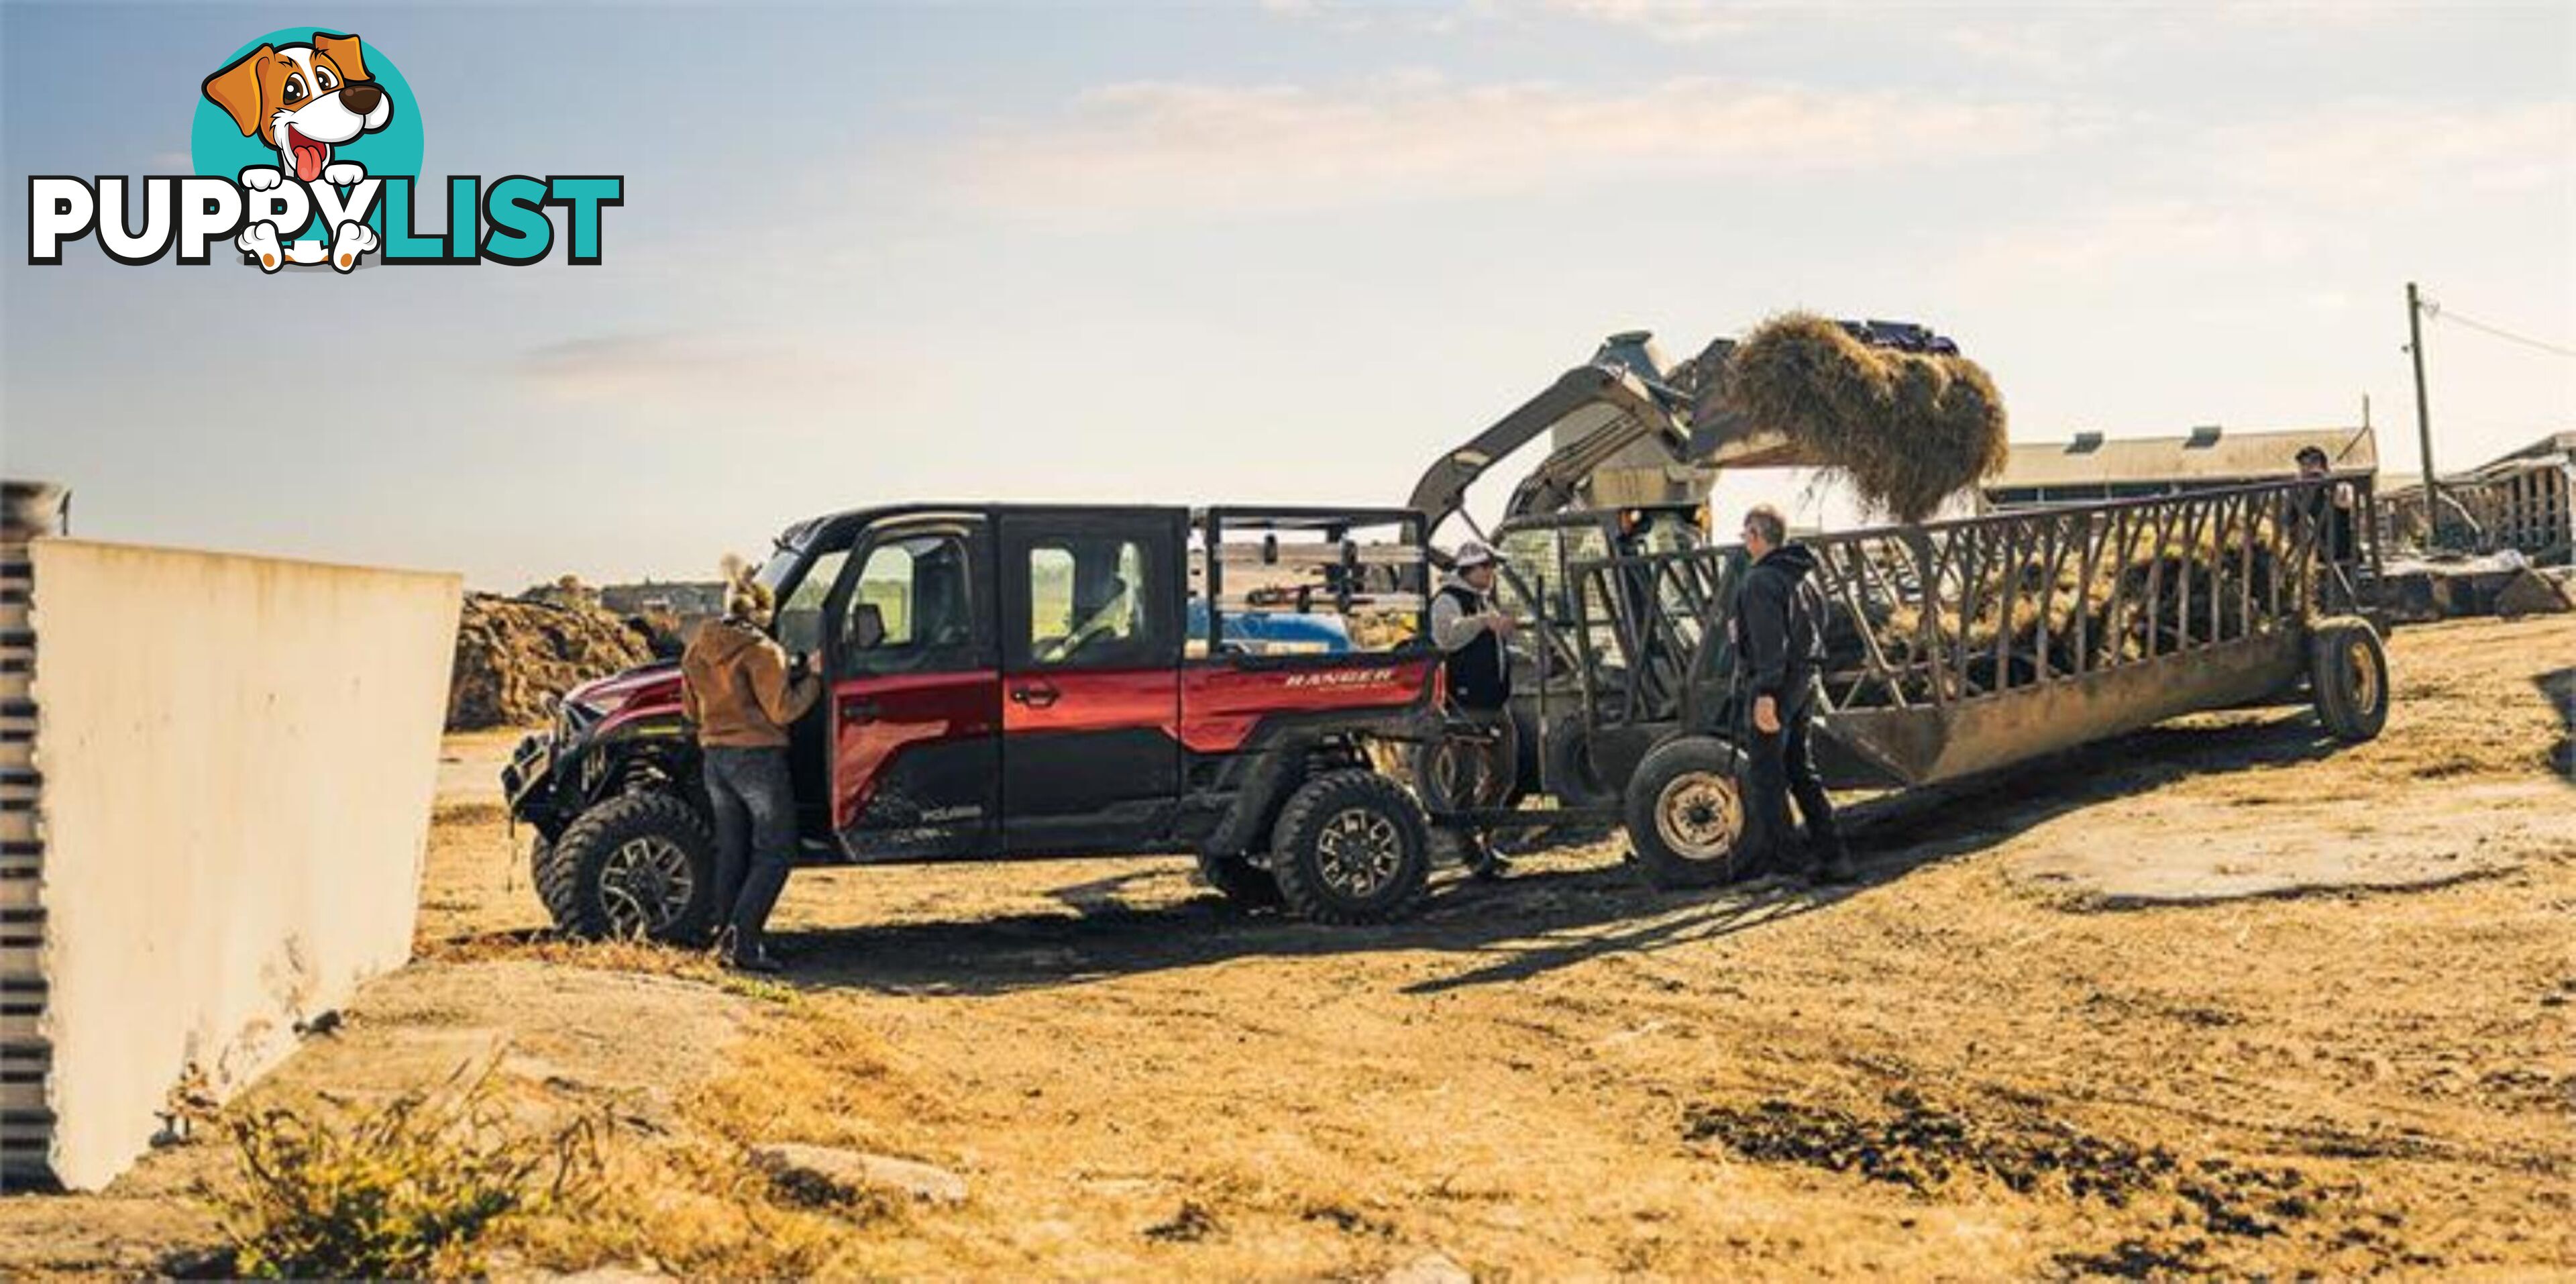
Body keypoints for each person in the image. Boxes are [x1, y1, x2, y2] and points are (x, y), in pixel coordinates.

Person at [680, 559, 821, 972]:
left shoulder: (697, 649)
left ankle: (724, 938)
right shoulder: (763, 652)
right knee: (775, 851)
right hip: (757, 760)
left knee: (732, 851)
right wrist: (812, 677)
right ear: (762, 613)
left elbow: (691, 711)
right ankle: (744, 944)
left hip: (715, 761)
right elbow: (782, 711)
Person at [1732, 504, 1856, 886]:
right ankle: (1835, 858)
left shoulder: (1759, 582)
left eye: (1745, 534)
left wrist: (1766, 693)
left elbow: (1772, 643)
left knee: (1767, 775)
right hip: (1806, 680)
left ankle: (1786, 866)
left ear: (1756, 535)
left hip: (1779, 685)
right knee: (1801, 771)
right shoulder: (1803, 578)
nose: (1743, 541)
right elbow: (1817, 628)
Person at [1428, 540, 1519, 831]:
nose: (1493, 572)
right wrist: (1485, 622)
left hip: (1494, 704)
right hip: (1465, 705)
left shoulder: (1481, 599)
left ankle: (1482, 833)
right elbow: (1446, 637)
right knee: (1463, 781)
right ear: (1471, 568)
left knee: (1504, 774)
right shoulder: (1447, 599)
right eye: (1488, 566)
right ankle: (1470, 850)